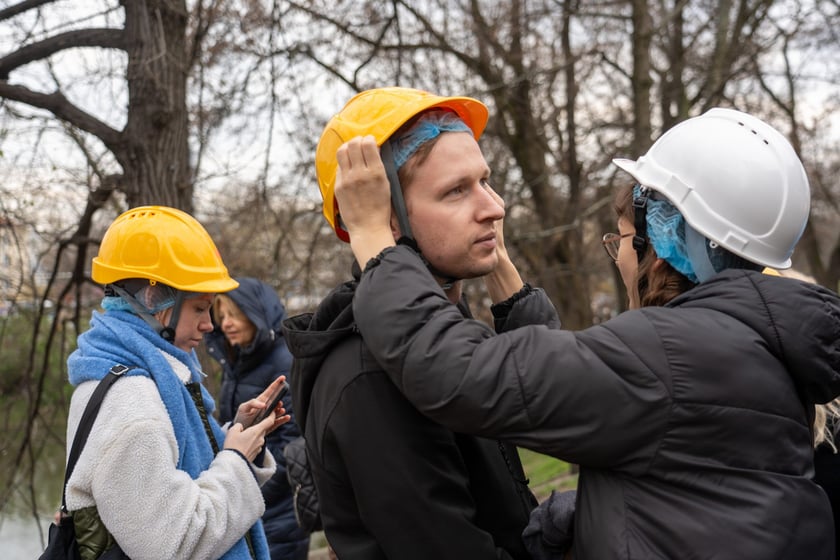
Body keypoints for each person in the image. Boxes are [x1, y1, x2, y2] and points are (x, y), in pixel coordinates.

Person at [332, 107, 840, 558]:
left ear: (661, 237)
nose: (494, 207)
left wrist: (375, 240)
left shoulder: (670, 354)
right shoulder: (750, 338)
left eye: (618, 239)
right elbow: (579, 385)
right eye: (458, 190)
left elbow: (458, 372)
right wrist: (605, 515)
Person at [282, 87, 548, 559]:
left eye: (485, 181)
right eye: (456, 191)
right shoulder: (370, 376)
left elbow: (546, 392)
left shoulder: (439, 337)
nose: (495, 208)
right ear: (385, 219)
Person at [65, 205, 290, 560]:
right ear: (155, 300)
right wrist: (235, 458)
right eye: (200, 309)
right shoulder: (133, 405)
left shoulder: (126, 375)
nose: (210, 325)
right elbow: (174, 543)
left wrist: (236, 436)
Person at [205, 278, 310, 560]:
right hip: (250, 500)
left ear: (257, 312)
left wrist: (247, 490)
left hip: (277, 509)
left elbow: (293, 447)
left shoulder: (283, 363)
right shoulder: (238, 363)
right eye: (221, 315)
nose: (226, 323)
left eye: (235, 314)